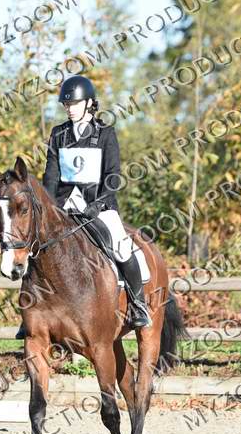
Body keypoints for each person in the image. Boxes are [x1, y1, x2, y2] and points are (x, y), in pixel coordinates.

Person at [15, 75, 151, 339]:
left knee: (121, 247)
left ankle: (138, 305)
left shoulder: (105, 133)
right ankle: (30, 314)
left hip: (100, 206)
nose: (69, 108)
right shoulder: (59, 134)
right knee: (35, 246)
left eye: (74, 103)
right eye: (66, 104)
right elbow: (51, 176)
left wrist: (97, 205)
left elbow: (113, 176)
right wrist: (50, 207)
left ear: (89, 103)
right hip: (64, 207)